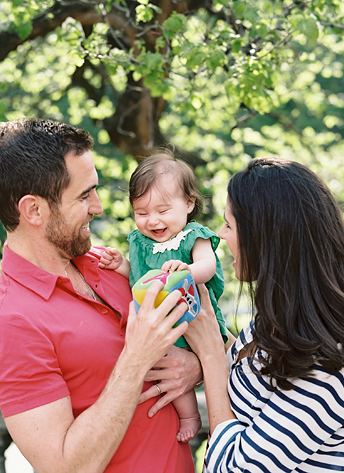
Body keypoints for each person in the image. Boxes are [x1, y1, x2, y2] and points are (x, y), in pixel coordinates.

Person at [0, 118, 201, 473]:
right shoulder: (10, 324)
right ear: (33, 210)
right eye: (84, 195)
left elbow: (206, 332)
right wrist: (136, 358)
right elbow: (65, 467)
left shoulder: (112, 265)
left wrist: (194, 367)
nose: (98, 207)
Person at [183, 157, 344, 473]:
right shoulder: (278, 322)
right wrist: (198, 357)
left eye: (230, 225)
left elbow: (234, 469)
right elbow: (248, 379)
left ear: (267, 238)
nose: (221, 236)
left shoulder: (332, 356)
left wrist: (210, 356)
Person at [99, 152, 228, 443]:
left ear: (189, 203)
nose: (152, 220)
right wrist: (121, 266)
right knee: (166, 365)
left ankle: (193, 416)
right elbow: (139, 277)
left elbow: (207, 267)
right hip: (161, 322)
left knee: (186, 367)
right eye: (142, 213)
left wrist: (187, 270)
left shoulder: (194, 236)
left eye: (162, 210)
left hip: (192, 318)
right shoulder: (139, 242)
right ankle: (186, 415)